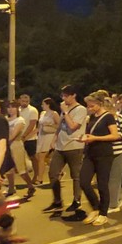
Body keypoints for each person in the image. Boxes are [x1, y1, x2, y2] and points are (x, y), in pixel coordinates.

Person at [43, 85, 88, 214]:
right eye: (62, 96)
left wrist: (66, 112)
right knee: (53, 173)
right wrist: (54, 139)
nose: (63, 98)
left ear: (73, 95)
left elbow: (73, 126)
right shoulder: (65, 109)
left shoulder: (81, 109)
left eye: (66, 96)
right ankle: (57, 201)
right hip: (60, 147)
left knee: (76, 176)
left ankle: (76, 201)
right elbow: (60, 126)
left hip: (74, 146)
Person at [79, 91, 120, 227]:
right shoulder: (91, 117)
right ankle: (95, 207)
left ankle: (103, 213)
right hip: (90, 154)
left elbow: (114, 135)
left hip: (104, 154)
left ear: (99, 104)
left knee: (102, 184)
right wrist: (83, 138)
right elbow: (89, 134)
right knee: (83, 181)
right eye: (88, 106)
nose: (89, 108)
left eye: (92, 106)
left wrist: (96, 138)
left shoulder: (108, 117)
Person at [4, 102, 36, 199]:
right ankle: (11, 188)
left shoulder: (20, 120)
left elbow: (13, 135)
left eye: (13, 107)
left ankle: (30, 186)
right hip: (6, 146)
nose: (10, 109)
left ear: (17, 108)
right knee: (8, 169)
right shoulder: (5, 119)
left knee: (21, 169)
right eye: (8, 107)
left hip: (16, 145)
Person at [35, 98, 60, 185]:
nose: (42, 106)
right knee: (42, 157)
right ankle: (59, 171)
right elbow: (38, 127)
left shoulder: (54, 113)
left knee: (41, 157)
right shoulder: (42, 113)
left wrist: (50, 125)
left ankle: (40, 178)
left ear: (48, 104)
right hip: (42, 136)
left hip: (50, 136)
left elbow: (59, 126)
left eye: (43, 104)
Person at [17, 94, 39, 186]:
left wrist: (24, 136)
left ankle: (36, 176)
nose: (25, 103)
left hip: (30, 138)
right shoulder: (17, 110)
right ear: (19, 101)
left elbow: (32, 124)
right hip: (18, 138)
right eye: (23, 101)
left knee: (33, 157)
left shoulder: (32, 110)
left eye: (27, 101)